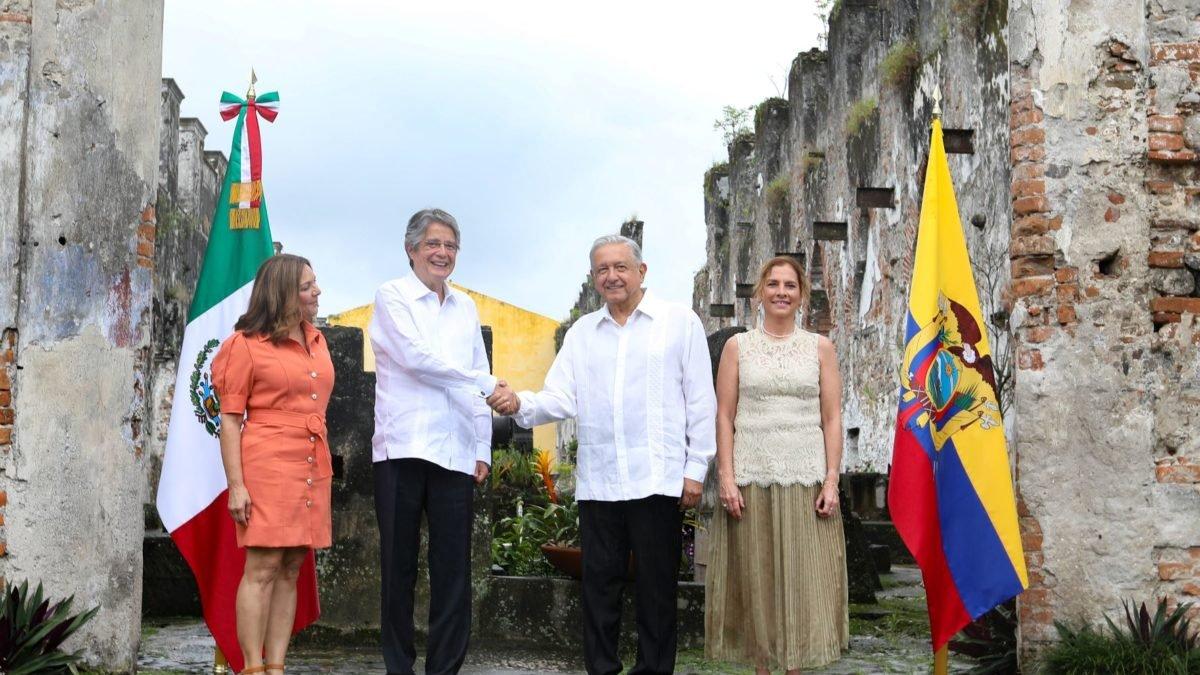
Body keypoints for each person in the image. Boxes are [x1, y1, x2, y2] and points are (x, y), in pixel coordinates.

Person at [488, 234, 716, 675]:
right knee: (599, 588)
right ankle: (602, 669)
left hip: (658, 479)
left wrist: (695, 469)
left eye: (620, 267)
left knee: (657, 589)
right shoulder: (582, 333)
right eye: (602, 270)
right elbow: (560, 396)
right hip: (602, 481)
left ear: (641, 271)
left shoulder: (678, 322)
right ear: (594, 278)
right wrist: (521, 405)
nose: (611, 276)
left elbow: (700, 401)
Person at [369, 208, 510, 675]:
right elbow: (416, 360)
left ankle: (445, 667)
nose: (442, 253)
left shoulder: (466, 307)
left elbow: (473, 374)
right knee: (399, 568)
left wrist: (482, 447)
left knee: (454, 570)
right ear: (411, 250)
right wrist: (485, 382)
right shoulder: (392, 297)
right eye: (433, 244)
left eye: (450, 246)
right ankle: (399, 667)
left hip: (454, 452)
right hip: (403, 448)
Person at [704, 255, 849, 674]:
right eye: (773, 284)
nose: (781, 292)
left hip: (806, 480)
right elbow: (725, 416)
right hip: (751, 482)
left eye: (790, 285)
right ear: (760, 293)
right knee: (759, 586)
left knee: (804, 587)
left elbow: (832, 417)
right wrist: (726, 479)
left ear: (802, 294)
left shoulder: (820, 348)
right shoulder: (738, 347)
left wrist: (832, 480)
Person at [212, 253, 334, 675]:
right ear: (282, 293)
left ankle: (277, 665)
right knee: (262, 566)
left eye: (315, 284)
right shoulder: (244, 346)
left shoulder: (317, 340)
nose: (317, 291)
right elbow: (230, 421)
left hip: (310, 462)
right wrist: (237, 486)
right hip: (266, 461)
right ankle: (251, 666)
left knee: (292, 566)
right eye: (306, 286)